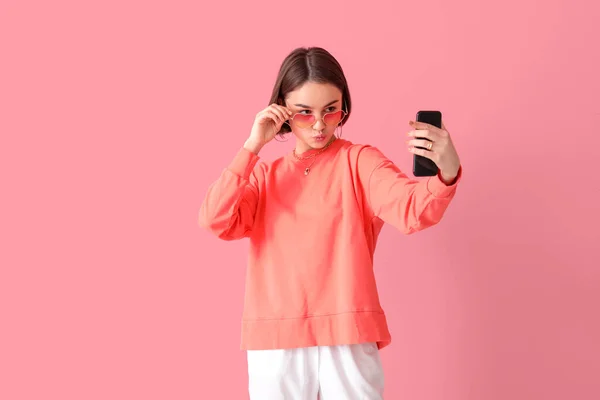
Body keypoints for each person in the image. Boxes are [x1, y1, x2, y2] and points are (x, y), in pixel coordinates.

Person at [198, 46, 462, 399]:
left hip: (347, 332)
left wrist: (447, 169)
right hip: (276, 337)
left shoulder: (359, 162)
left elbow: (412, 209)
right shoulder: (262, 177)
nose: (320, 124)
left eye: (331, 110)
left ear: (343, 107)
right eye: (304, 113)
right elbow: (215, 219)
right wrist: (251, 146)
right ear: (282, 112)